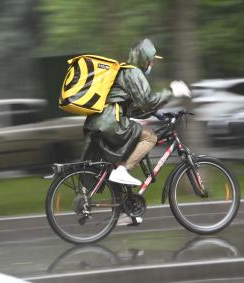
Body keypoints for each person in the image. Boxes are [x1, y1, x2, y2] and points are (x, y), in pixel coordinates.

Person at [82, 38, 191, 225]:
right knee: (150, 137)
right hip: (110, 122)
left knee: (116, 164)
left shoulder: (125, 72)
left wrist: (158, 114)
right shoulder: (133, 72)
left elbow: (137, 107)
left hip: (100, 122)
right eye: (151, 60)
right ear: (143, 58)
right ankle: (124, 169)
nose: (152, 64)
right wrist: (172, 91)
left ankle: (125, 212)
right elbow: (147, 100)